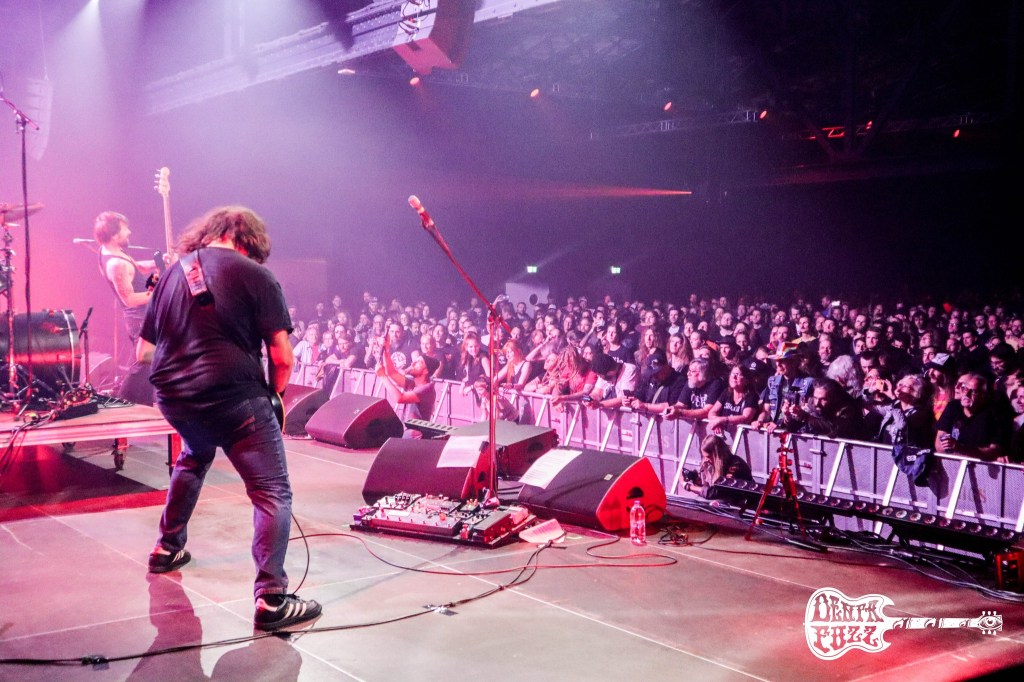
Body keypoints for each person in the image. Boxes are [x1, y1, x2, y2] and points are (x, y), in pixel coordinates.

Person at [137, 205, 321, 631]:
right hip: (234, 398)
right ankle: (272, 599)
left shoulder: (171, 274)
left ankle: (167, 549)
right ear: (249, 241)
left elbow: (143, 352)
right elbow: (282, 358)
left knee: (194, 455)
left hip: (174, 398)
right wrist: (273, 398)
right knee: (271, 491)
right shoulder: (257, 276)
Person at [94, 211, 161, 404]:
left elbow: (134, 267)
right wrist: (160, 291)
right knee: (144, 363)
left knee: (148, 363)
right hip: (139, 317)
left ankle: (140, 403)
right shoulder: (116, 264)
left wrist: (157, 264)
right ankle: (126, 400)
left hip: (144, 313)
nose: (129, 232)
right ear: (114, 235)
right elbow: (129, 299)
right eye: (125, 229)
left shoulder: (109, 252)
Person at [683, 434, 753, 499]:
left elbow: (716, 493)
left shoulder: (736, 465)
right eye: (704, 457)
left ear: (718, 455)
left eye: (708, 457)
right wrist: (698, 483)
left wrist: (687, 486)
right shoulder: (713, 465)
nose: (706, 460)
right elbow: (709, 490)